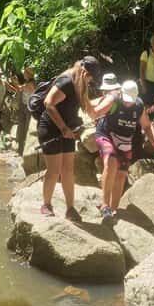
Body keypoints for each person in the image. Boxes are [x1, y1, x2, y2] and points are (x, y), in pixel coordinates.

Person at [38, 55, 102, 220]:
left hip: (68, 130)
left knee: (68, 170)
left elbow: (90, 108)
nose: (90, 81)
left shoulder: (79, 84)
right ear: (84, 72)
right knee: (54, 170)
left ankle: (70, 208)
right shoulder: (66, 82)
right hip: (51, 129)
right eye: (90, 77)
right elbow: (48, 103)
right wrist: (63, 128)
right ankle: (46, 204)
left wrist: (108, 107)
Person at [93, 76, 154, 221]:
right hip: (106, 134)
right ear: (121, 92)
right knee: (110, 161)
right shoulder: (113, 99)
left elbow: (147, 126)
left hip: (124, 141)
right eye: (126, 99)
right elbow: (95, 112)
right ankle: (105, 206)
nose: (128, 103)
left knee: (122, 173)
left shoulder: (138, 105)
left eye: (131, 100)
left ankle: (114, 209)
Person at [7, 66, 37, 155]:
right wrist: (14, 82)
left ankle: (24, 150)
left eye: (25, 73)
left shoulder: (31, 83)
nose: (23, 74)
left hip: (29, 107)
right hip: (24, 106)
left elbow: (21, 88)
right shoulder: (28, 82)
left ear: (28, 75)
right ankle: (21, 149)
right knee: (21, 128)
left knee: (26, 128)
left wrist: (15, 82)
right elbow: (20, 88)